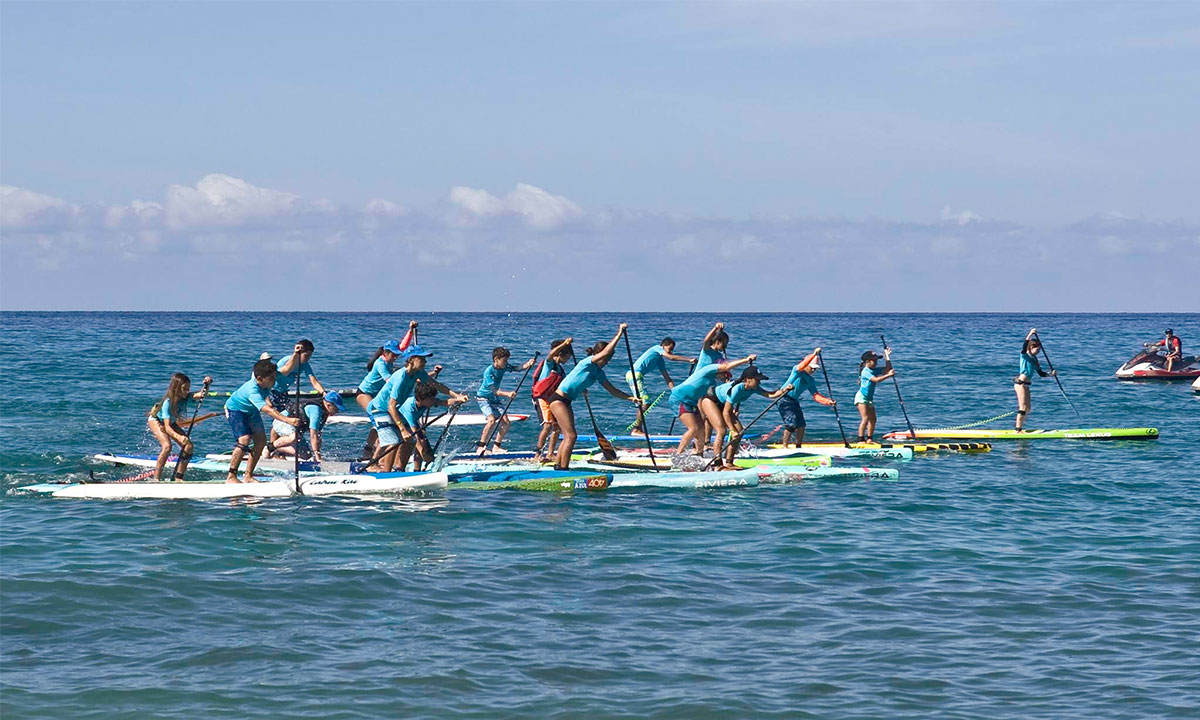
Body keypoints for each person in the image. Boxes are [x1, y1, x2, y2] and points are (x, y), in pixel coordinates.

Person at [547, 325, 639, 470]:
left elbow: (612, 390)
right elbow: (606, 351)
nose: (607, 362)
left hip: (566, 401)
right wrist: (619, 333)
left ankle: (558, 466)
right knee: (571, 436)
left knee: (568, 436)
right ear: (600, 355)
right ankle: (564, 469)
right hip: (558, 399)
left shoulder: (598, 372)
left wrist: (630, 398)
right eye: (607, 358)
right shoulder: (587, 362)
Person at [365, 345, 467, 472]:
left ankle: (399, 470)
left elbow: (437, 385)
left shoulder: (418, 373)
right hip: (379, 409)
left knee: (411, 440)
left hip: (392, 410)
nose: (425, 362)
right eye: (422, 359)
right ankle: (386, 474)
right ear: (412, 359)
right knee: (395, 441)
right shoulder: (401, 377)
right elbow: (391, 406)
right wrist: (402, 429)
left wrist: (458, 397)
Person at [224, 359, 301, 483]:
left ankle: (248, 476)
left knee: (261, 442)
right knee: (244, 440)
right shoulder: (253, 390)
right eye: (272, 379)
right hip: (235, 410)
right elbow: (268, 410)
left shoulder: (270, 377)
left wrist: (295, 353)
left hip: (251, 411)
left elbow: (286, 369)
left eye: (275, 377)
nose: (275, 380)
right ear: (260, 379)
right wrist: (288, 420)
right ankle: (231, 476)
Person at [670, 354, 757, 461]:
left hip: (692, 402)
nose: (725, 376)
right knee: (694, 428)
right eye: (724, 374)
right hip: (679, 398)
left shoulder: (712, 382)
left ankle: (699, 454)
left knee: (701, 430)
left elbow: (704, 398)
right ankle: (678, 456)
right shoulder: (708, 369)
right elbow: (726, 366)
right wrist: (745, 360)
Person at [716, 366, 792, 469]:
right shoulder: (737, 389)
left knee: (740, 432)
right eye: (757, 380)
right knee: (722, 431)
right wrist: (731, 429)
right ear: (748, 380)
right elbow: (726, 412)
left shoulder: (753, 388)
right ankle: (717, 463)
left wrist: (784, 390)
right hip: (712, 401)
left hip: (724, 405)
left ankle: (729, 462)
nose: (759, 383)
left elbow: (770, 395)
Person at [146, 373, 213, 481]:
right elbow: (167, 428)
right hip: (156, 420)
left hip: (170, 422)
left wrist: (207, 385)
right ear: (176, 389)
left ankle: (179, 478)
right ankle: (156, 479)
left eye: (188, 388)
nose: (187, 391)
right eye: (184, 389)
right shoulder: (168, 402)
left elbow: (202, 395)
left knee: (188, 446)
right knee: (167, 446)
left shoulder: (185, 397)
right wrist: (180, 437)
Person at [476, 347, 537, 454]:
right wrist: (507, 394)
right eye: (504, 361)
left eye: (506, 361)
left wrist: (527, 364)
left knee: (506, 422)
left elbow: (517, 368)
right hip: (483, 398)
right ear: (496, 359)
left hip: (494, 399)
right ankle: (480, 447)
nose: (506, 363)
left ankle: (496, 447)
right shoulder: (488, 372)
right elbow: (494, 391)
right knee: (491, 420)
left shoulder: (503, 367)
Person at [626, 338, 694, 434]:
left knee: (644, 402)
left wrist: (674, 391)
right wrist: (688, 360)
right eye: (670, 349)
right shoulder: (656, 348)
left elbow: (667, 378)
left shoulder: (660, 361)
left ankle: (637, 429)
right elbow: (671, 357)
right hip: (634, 375)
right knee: (646, 402)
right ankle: (636, 429)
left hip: (637, 376)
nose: (671, 351)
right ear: (664, 346)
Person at [777, 348, 836, 447]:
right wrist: (813, 354)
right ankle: (784, 446)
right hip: (784, 398)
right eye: (811, 367)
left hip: (794, 401)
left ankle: (798, 446)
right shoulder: (797, 370)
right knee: (791, 424)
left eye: (815, 369)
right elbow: (802, 365)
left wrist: (828, 402)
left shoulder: (810, 380)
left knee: (801, 425)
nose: (813, 370)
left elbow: (816, 396)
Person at [269, 391, 346, 464]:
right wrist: (318, 457)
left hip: (293, 428)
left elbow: (318, 436)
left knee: (306, 455)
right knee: (294, 437)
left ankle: (278, 451)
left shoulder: (324, 413)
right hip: (282, 422)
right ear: (328, 405)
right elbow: (313, 435)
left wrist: (318, 453)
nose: (337, 411)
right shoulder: (316, 411)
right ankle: (269, 447)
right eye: (336, 408)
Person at [532, 338, 573, 464]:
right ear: (561, 354)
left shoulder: (561, 370)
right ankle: (537, 454)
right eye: (568, 356)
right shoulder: (549, 364)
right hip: (541, 398)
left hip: (552, 400)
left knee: (557, 427)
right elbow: (550, 354)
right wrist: (564, 344)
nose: (569, 359)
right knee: (547, 425)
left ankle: (550, 454)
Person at [400, 384, 456, 471]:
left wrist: (458, 400)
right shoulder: (409, 409)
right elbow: (416, 436)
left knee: (423, 442)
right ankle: (399, 469)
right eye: (431, 399)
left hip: (413, 423)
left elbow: (444, 402)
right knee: (415, 443)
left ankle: (417, 469)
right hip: (401, 424)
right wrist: (425, 455)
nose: (433, 401)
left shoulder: (426, 402)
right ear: (422, 399)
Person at [267, 339, 327, 412]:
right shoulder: (286, 360)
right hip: (271, 391)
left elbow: (314, 382)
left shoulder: (305, 365)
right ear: (300, 353)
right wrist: (296, 352)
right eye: (306, 356)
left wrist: (323, 392)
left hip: (283, 392)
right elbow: (285, 371)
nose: (307, 359)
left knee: (290, 412)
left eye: (309, 356)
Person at [1014, 329, 1054, 431]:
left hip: (1027, 384)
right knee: (1022, 407)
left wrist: (1051, 374)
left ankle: (1021, 427)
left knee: (1028, 408)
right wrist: (1030, 334)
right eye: (1037, 350)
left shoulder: (1035, 359)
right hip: (1020, 384)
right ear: (1031, 347)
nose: (1039, 352)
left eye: (1040, 350)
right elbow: (1024, 346)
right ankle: (1018, 430)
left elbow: (1041, 374)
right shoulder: (1024, 355)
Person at [855, 348, 895, 442]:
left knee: (873, 419)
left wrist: (887, 357)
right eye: (875, 361)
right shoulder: (866, 371)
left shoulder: (874, 370)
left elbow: (888, 369)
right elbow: (876, 380)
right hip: (862, 397)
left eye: (877, 360)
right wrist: (888, 375)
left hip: (869, 399)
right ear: (868, 361)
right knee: (865, 418)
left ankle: (869, 438)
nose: (876, 363)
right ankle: (860, 439)